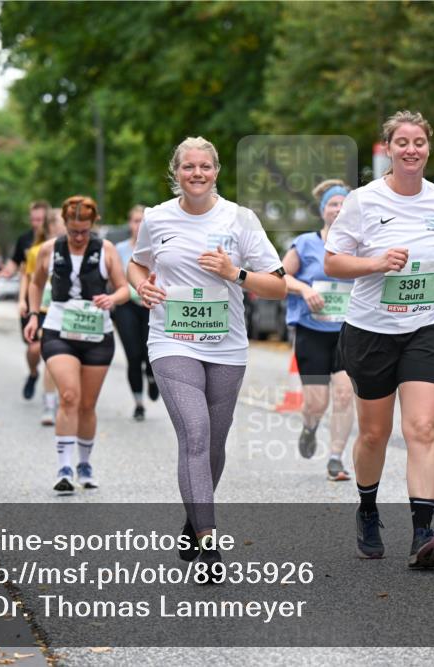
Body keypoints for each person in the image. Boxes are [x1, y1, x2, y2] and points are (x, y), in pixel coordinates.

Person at [129, 137, 286, 574]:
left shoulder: (240, 219)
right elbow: (137, 263)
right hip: (171, 340)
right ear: (175, 172)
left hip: (227, 346)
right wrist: (140, 285)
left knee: (214, 444)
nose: (196, 174)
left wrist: (234, 272)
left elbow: (277, 284)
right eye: (188, 167)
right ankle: (210, 544)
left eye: (205, 167)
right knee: (194, 435)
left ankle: (194, 518)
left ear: (216, 171)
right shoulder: (158, 218)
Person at [324, 110, 434, 569]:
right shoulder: (363, 201)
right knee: (374, 434)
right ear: (388, 148)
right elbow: (333, 263)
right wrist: (377, 263)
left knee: (421, 429)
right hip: (371, 332)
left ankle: (424, 532)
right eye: (402, 142)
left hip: (428, 325)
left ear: (428, 147)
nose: (411, 149)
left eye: (419, 142)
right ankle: (367, 510)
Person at [24, 195, 130, 494]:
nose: (79, 237)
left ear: (93, 224)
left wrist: (112, 298)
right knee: (69, 396)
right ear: (65, 225)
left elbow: (124, 288)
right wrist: (34, 316)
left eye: (84, 230)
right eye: (73, 231)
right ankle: (65, 467)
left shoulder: (106, 250)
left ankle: (85, 463)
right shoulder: (49, 249)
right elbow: (35, 282)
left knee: (87, 405)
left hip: (97, 334)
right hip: (59, 330)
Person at [282, 178, 356, 481]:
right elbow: (278, 277)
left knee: (344, 395)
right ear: (323, 210)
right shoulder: (305, 244)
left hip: (348, 332)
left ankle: (336, 458)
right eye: (333, 204)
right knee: (316, 402)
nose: (338, 210)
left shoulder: (359, 244)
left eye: (343, 204)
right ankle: (310, 427)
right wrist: (303, 289)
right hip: (312, 332)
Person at [113, 204, 159, 421]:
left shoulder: (159, 246)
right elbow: (112, 276)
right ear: (129, 224)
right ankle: (139, 403)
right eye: (135, 221)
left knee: (149, 355)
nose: (138, 225)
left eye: (142, 220)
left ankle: (152, 377)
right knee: (133, 355)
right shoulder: (119, 249)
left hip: (152, 305)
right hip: (126, 306)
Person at [22, 209, 66, 425]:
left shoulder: (77, 249)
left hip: (67, 311)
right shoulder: (39, 251)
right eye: (59, 222)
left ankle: (61, 399)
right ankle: (49, 404)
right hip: (43, 311)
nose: (64, 226)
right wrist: (26, 304)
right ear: (50, 227)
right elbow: (31, 281)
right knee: (47, 356)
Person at [6, 200, 50, 400]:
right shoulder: (26, 242)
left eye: (40, 219)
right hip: (33, 301)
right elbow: (23, 271)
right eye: (33, 219)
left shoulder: (58, 241)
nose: (36, 223)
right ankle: (33, 373)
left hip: (54, 304)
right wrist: (21, 300)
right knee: (33, 348)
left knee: (52, 348)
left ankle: (53, 395)